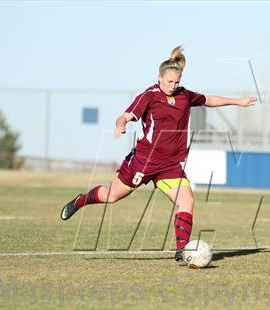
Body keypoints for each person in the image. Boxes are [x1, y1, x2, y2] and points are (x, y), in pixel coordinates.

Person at [60, 46, 257, 264]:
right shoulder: (149, 96)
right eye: (169, 82)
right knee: (112, 196)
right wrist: (120, 125)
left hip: (170, 164)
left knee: (187, 199)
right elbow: (124, 116)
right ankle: (80, 201)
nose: (173, 86)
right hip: (144, 160)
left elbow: (209, 100)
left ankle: (183, 251)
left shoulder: (185, 95)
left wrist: (238, 102)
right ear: (159, 77)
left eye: (176, 82)